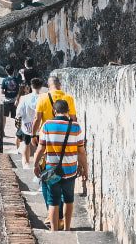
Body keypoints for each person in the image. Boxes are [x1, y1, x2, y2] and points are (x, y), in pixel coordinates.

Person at [32, 99, 87, 231]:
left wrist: (35, 165)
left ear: (54, 111)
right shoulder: (75, 127)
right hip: (70, 170)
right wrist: (85, 168)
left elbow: (40, 148)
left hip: (52, 170)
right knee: (69, 200)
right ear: (68, 111)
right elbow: (81, 152)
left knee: (53, 201)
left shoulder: (47, 125)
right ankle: (67, 229)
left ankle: (54, 230)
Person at [32, 75, 78, 139]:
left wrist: (33, 135)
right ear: (60, 84)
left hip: (47, 133)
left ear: (48, 85)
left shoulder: (42, 98)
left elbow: (37, 119)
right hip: (63, 133)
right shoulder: (69, 98)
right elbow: (73, 118)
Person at [16, 77, 45, 165]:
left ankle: (26, 163)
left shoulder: (24, 98)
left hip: (27, 126)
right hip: (40, 126)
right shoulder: (43, 97)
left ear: (31, 86)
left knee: (26, 144)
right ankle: (39, 165)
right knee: (41, 147)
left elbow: (19, 112)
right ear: (41, 87)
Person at [0, 65, 22, 137]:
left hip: (6, 101)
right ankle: (18, 131)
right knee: (17, 117)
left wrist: (7, 92)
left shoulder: (4, 80)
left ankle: (2, 131)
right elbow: (19, 90)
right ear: (14, 71)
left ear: (6, 71)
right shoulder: (16, 80)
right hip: (15, 101)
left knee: (4, 117)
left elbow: (2, 91)